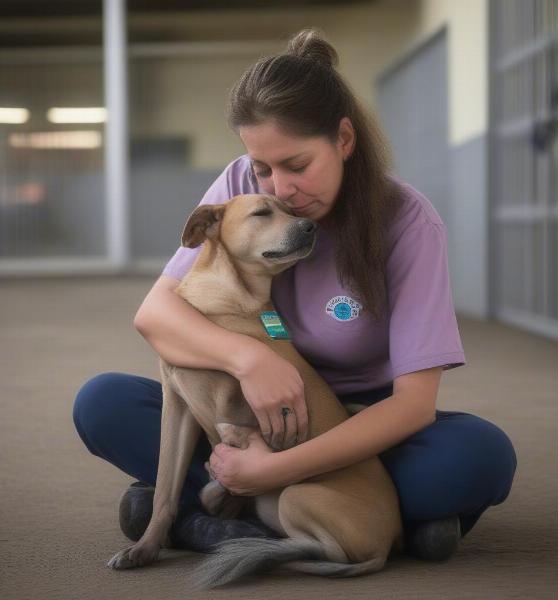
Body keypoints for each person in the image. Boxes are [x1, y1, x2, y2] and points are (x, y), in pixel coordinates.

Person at [73, 28, 517, 562]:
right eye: (264, 168)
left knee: (477, 458)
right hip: (243, 411)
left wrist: (274, 468)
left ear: (344, 140)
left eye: (298, 165)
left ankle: (214, 508)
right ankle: (404, 528)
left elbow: (414, 406)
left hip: (359, 423)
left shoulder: (408, 222)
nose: (280, 189)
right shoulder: (242, 186)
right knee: (103, 403)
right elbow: (157, 313)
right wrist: (253, 359)